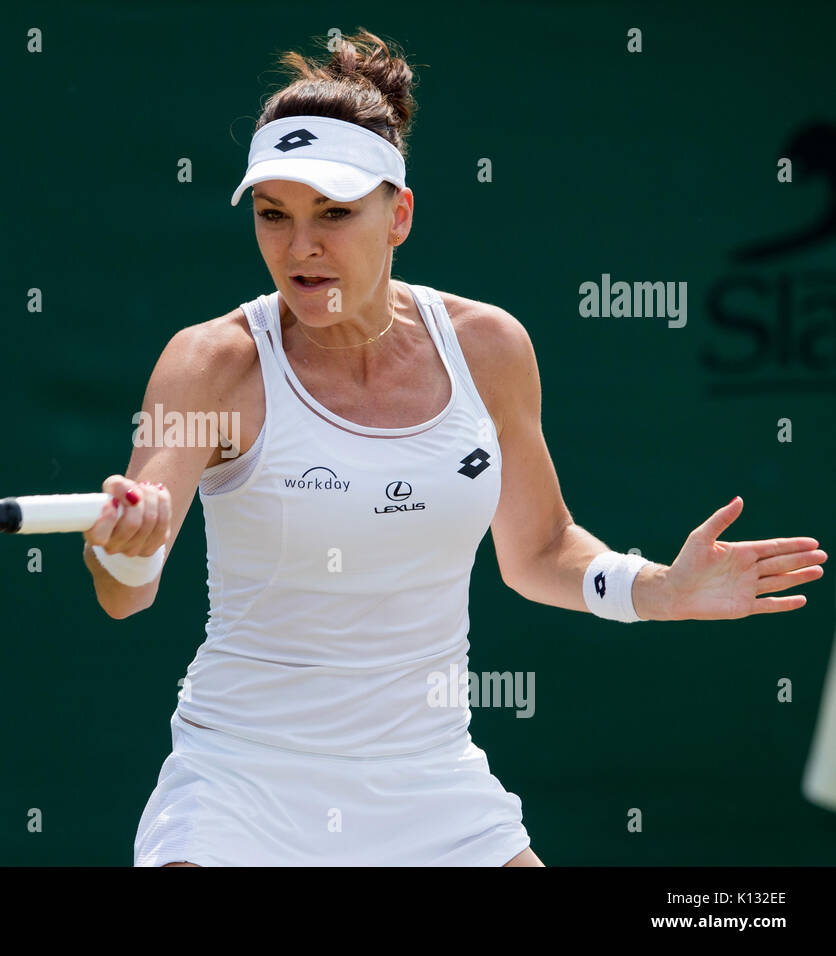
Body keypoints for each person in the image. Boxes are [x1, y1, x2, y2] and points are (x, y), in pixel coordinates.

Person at [81, 29, 827, 867]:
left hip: (432, 785)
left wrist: (656, 589)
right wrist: (127, 551)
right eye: (274, 216)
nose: (301, 248)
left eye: (334, 214)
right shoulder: (208, 365)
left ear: (398, 214)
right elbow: (123, 594)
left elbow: (538, 548)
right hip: (240, 786)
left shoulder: (489, 348)